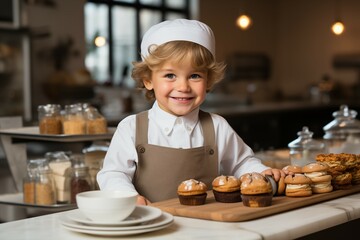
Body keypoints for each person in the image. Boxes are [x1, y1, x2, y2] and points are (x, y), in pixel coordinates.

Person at [97, 19, 286, 205]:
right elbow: (114, 173)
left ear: (209, 80)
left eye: (194, 75)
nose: (183, 86)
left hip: (206, 226)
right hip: (151, 225)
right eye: (170, 75)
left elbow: (241, 163)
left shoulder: (217, 126)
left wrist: (260, 172)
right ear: (148, 80)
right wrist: (127, 197)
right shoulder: (131, 128)